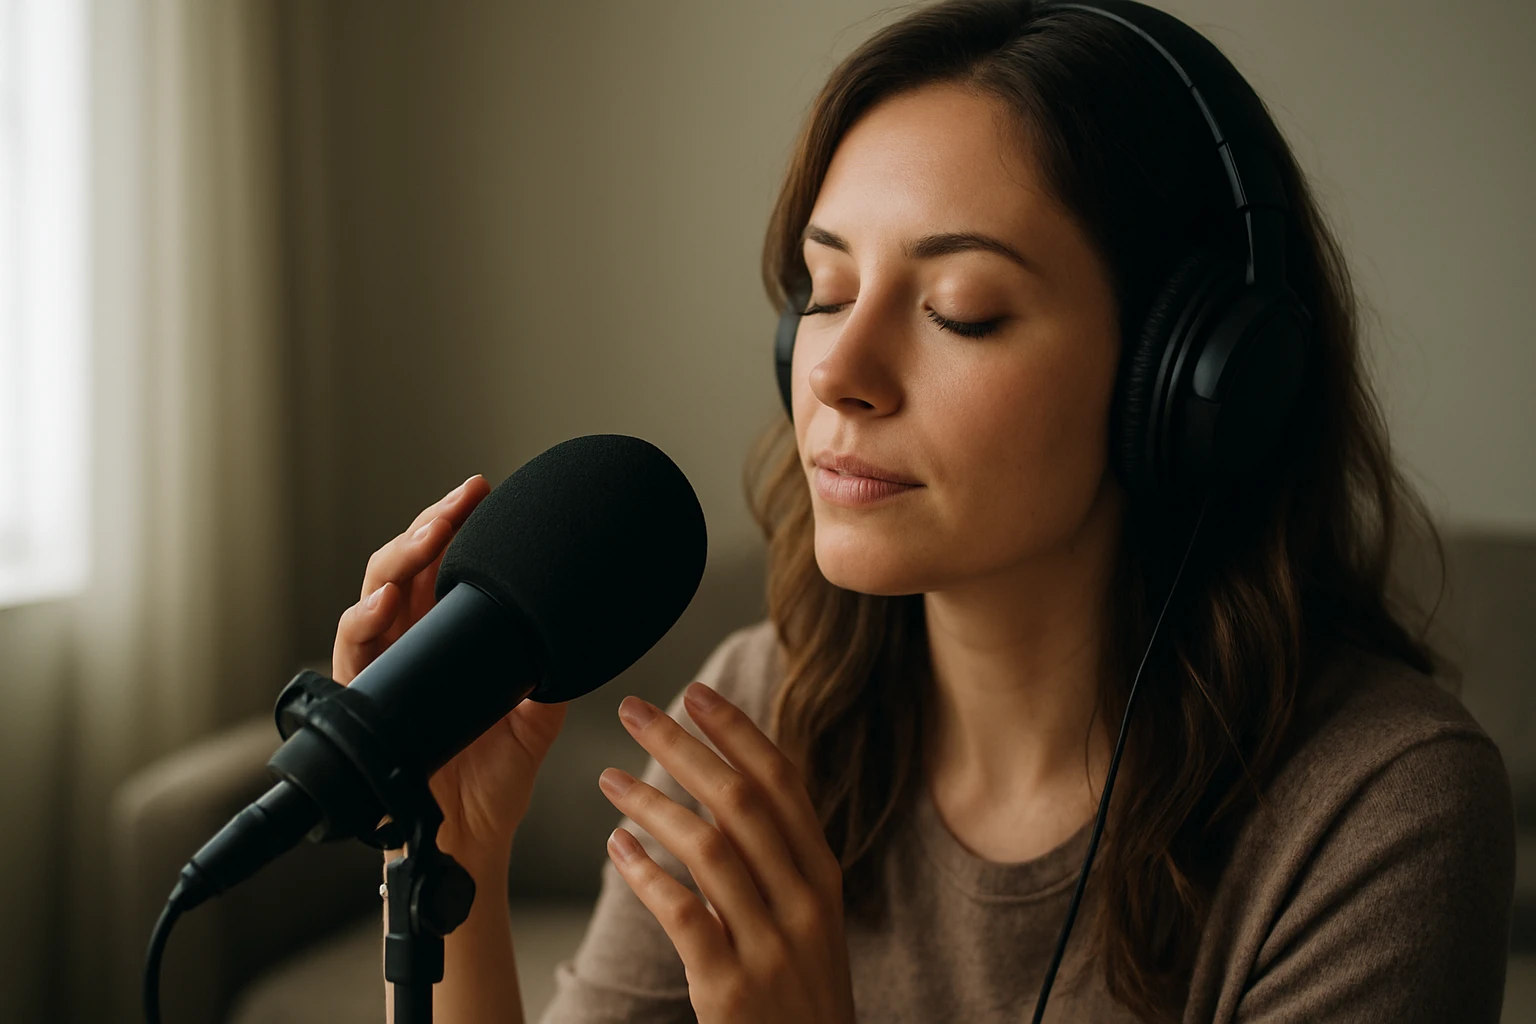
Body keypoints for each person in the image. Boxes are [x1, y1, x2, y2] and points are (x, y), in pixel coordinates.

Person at [332, 1, 1515, 1021]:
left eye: (960, 310)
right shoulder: (764, 710)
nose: (841, 372)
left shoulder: (1379, 812)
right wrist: (453, 860)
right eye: (828, 290)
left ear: (1193, 382)